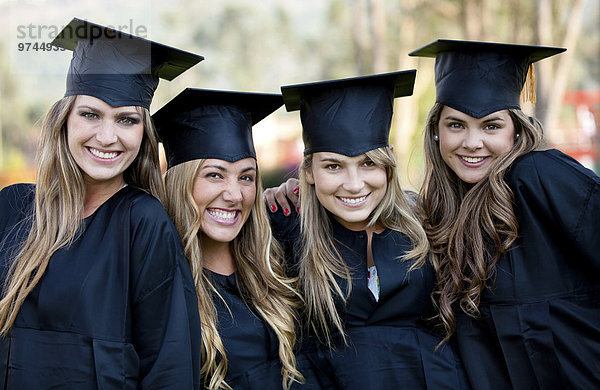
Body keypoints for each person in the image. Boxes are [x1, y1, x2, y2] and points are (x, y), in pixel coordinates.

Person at [0, 18, 203, 388]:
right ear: (64, 120)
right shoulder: (12, 208)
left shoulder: (142, 222)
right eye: (90, 114)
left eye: (126, 120)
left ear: (143, 134)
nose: (107, 137)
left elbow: (169, 366)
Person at [409, 39, 600, 389]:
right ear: (436, 131)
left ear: (516, 130)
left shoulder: (538, 177)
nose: (472, 142)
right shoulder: (437, 215)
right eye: (456, 125)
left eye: (491, 126)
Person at [267, 71, 471, 389]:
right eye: (333, 166)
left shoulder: (426, 223)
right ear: (308, 171)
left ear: (388, 163)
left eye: (368, 163)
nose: (353, 184)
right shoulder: (287, 236)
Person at [155, 88, 325, 390]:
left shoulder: (277, 258)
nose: (235, 195)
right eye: (214, 175)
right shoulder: (158, 283)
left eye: (246, 177)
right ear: (180, 183)